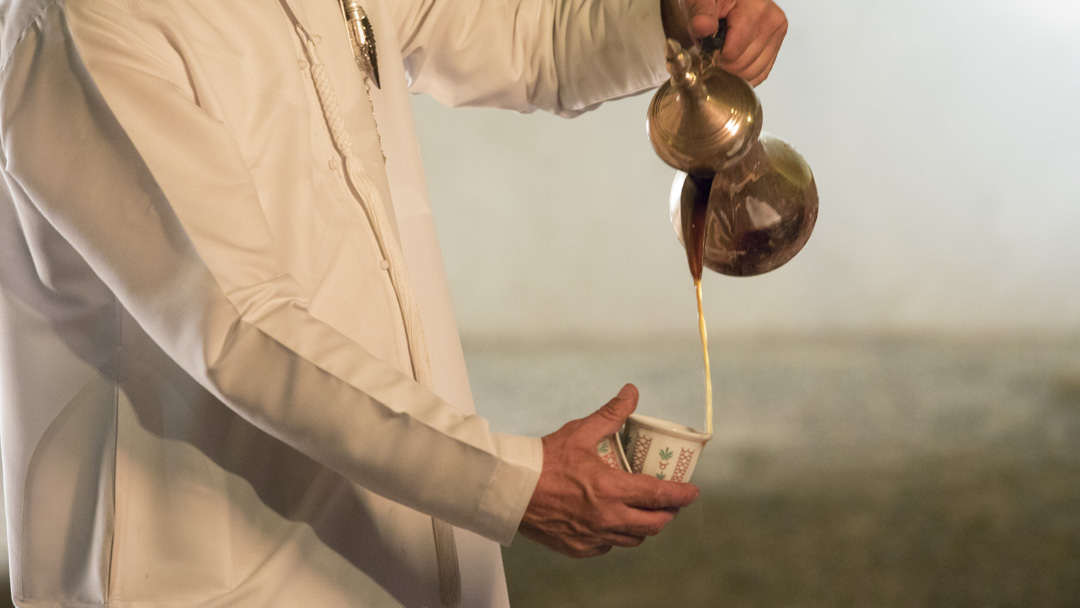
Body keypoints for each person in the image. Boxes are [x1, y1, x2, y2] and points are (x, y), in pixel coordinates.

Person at [0, 0, 786, 605]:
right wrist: (510, 481)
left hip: (400, 549)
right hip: (210, 575)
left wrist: (670, 22)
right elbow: (238, 330)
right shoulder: (87, 23)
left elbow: (514, 39)